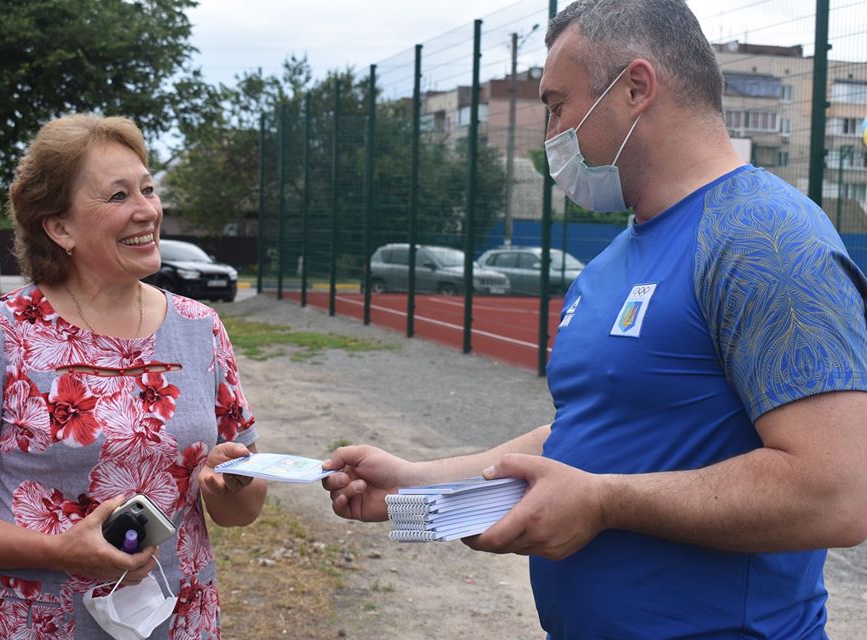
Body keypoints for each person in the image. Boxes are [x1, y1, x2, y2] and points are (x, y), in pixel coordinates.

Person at [323, 0, 867, 637]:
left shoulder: (764, 239)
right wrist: (418, 482)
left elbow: (836, 492)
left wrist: (606, 503)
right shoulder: (610, 261)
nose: (551, 132)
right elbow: (591, 430)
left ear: (636, 87)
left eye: (557, 104)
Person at [0, 113, 266, 639]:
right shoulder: (0, 333)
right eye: (118, 196)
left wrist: (230, 483)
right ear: (60, 227)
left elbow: (242, 510)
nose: (148, 210)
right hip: (32, 622)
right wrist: (59, 551)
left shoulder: (200, 328)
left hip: (175, 618)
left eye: (147, 188)